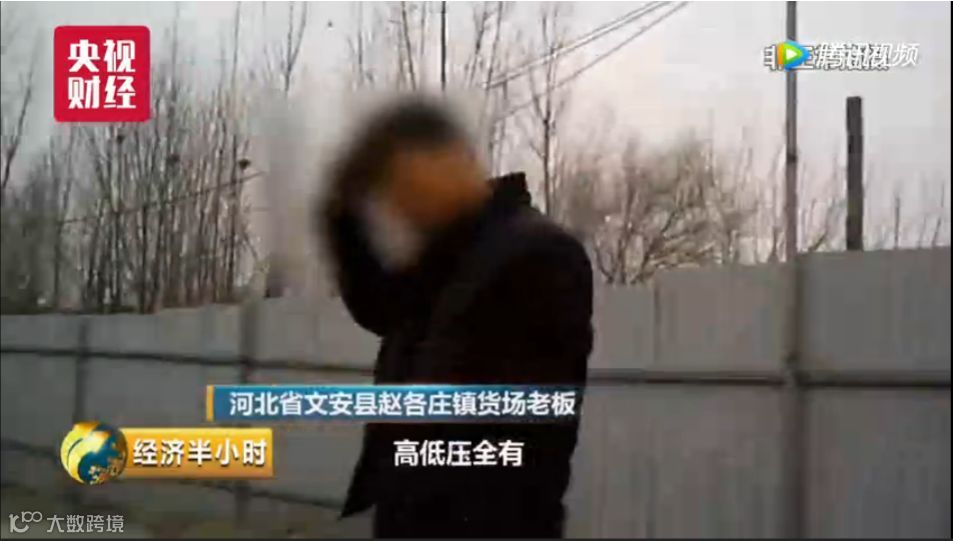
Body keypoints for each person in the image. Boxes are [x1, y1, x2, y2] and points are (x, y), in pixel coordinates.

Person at [318, 98, 593, 538]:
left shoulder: (538, 250)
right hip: (415, 513)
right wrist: (344, 225)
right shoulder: (448, 256)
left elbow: (526, 427)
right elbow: (383, 311)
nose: (401, 206)